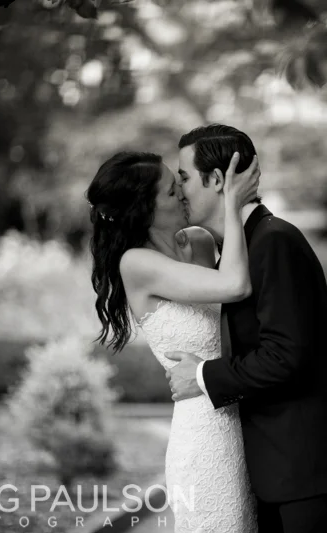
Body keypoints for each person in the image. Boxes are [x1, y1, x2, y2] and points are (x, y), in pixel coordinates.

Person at [165, 124, 327, 533]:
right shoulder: (240, 247)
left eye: (184, 177)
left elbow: (286, 356)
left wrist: (201, 376)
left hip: (314, 467)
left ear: (216, 179)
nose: (179, 190)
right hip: (281, 470)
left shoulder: (274, 240)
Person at [86, 149, 261, 532]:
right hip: (204, 433)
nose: (183, 192)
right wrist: (230, 202)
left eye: (179, 182)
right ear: (142, 209)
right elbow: (234, 285)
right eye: (170, 190)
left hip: (251, 425)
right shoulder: (136, 264)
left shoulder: (200, 242)